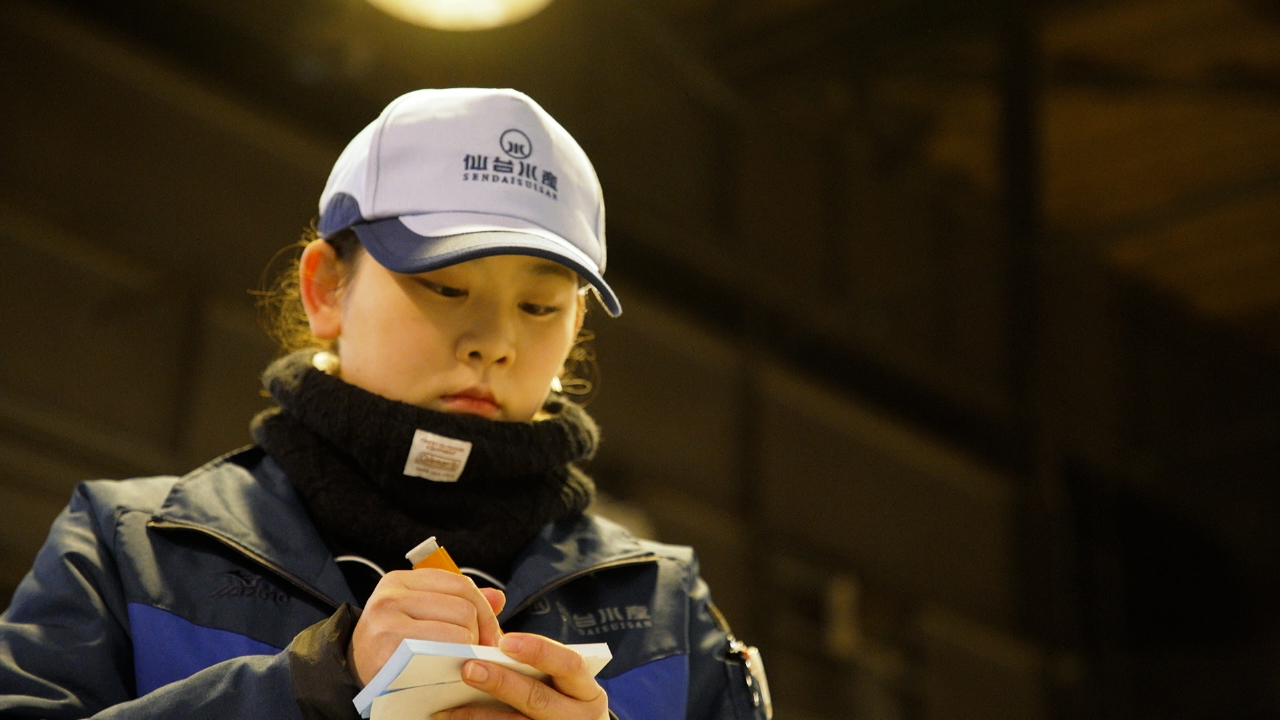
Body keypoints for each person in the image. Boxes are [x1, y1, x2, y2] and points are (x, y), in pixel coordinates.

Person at [0, 88, 770, 720]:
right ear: (326, 289)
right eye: (446, 286)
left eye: (539, 307)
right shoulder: (132, 550)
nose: (494, 342)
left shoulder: (665, 605)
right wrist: (314, 686)